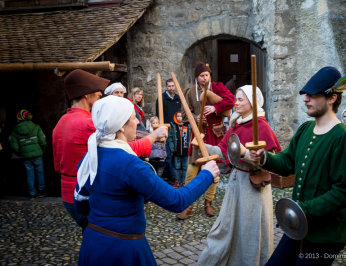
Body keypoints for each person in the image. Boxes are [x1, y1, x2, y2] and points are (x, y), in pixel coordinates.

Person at [73, 95, 220, 265]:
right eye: (133, 118)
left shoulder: (90, 156)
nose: (137, 122)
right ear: (121, 127)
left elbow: (81, 204)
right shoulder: (131, 165)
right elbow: (177, 201)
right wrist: (207, 174)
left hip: (93, 243)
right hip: (122, 249)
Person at [250, 66, 346, 266]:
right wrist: (264, 157)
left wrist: (304, 209)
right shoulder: (306, 129)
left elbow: (344, 191)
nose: (305, 99)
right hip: (300, 224)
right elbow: (288, 163)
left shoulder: (342, 138)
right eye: (305, 95)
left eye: (312, 95)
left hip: (328, 231)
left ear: (332, 98)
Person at [53, 69, 167, 229]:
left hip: (68, 195)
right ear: (86, 95)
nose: (101, 96)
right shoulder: (88, 123)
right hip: (85, 194)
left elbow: (58, 166)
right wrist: (153, 137)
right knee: (105, 235)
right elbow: (119, 150)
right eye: (97, 94)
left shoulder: (61, 122)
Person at [197, 85, 281, 266]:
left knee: (250, 231)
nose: (236, 102)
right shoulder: (237, 124)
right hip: (236, 184)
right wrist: (201, 145)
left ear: (253, 102)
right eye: (237, 98)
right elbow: (221, 151)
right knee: (227, 227)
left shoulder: (262, 126)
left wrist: (246, 155)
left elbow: (271, 161)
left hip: (253, 189)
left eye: (241, 99)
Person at [177, 61, 235, 219]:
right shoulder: (190, 92)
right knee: (192, 170)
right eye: (202, 76)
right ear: (196, 77)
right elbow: (183, 115)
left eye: (207, 75)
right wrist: (195, 118)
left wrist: (216, 108)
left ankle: (208, 203)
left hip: (215, 134)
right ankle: (188, 205)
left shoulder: (218, 87)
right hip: (199, 135)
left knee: (213, 169)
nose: (204, 78)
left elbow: (231, 101)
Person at [10, 109, 47, 199]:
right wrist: (42, 150)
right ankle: (42, 191)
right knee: (40, 172)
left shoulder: (15, 131)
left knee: (29, 174)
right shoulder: (36, 127)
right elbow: (43, 141)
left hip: (26, 157)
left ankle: (32, 193)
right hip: (38, 155)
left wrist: (21, 153)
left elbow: (14, 146)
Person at [156, 78, 182, 185]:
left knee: (175, 152)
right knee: (168, 153)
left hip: (176, 128)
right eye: (169, 86)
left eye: (173, 86)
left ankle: (167, 174)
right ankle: (172, 178)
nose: (171, 88)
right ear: (166, 87)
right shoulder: (161, 98)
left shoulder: (178, 98)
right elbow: (158, 113)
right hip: (166, 128)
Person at [168, 111, 191, 187]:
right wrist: (172, 148)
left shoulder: (187, 126)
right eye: (178, 116)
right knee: (177, 167)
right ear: (175, 117)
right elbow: (170, 138)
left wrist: (190, 147)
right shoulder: (173, 126)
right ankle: (177, 181)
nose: (179, 118)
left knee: (185, 167)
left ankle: (184, 181)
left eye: (181, 116)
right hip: (176, 151)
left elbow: (190, 137)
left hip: (185, 151)